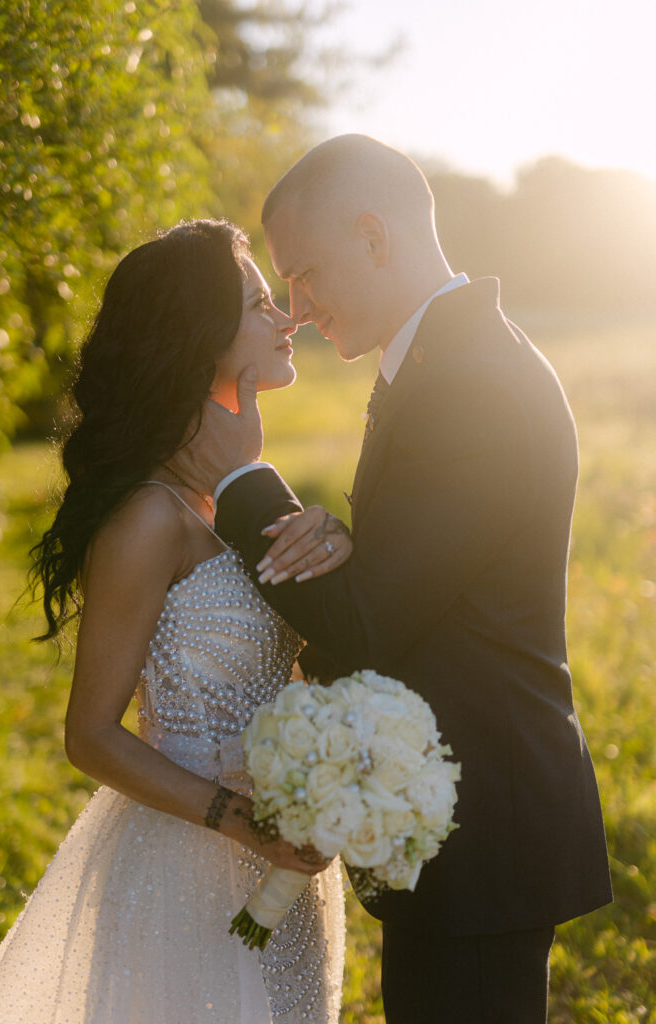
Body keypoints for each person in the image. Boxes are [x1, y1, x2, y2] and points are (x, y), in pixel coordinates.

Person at [169, 136, 613, 1022]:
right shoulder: (441, 361)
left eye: (305, 274)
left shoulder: (471, 382)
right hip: (452, 815)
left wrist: (239, 482)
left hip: (486, 821)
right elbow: (421, 574)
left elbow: (366, 623)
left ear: (374, 237)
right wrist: (335, 534)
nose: (295, 307)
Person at [0, 219, 348, 1024]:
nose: (285, 317)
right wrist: (241, 822)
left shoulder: (231, 501)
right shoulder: (147, 518)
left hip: (283, 859)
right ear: (199, 334)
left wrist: (334, 541)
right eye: (257, 302)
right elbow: (91, 735)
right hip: (187, 867)